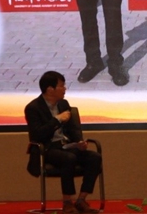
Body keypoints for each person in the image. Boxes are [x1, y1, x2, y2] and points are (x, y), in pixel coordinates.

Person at [25, 71, 102, 214]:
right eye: (61, 86)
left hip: (67, 146)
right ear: (50, 89)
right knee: (69, 158)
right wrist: (57, 119)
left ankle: (81, 200)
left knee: (94, 157)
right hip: (46, 148)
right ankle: (67, 202)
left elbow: (73, 128)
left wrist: (79, 142)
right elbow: (37, 135)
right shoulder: (33, 108)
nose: (65, 88)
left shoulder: (63, 103)